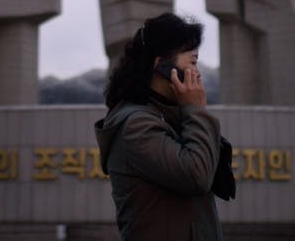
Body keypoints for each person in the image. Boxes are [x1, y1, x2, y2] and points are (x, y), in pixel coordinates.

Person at [94, 13, 235, 240]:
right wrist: (196, 110)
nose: (197, 73)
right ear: (161, 66)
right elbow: (195, 175)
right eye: (193, 61)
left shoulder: (170, 117)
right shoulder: (135, 125)